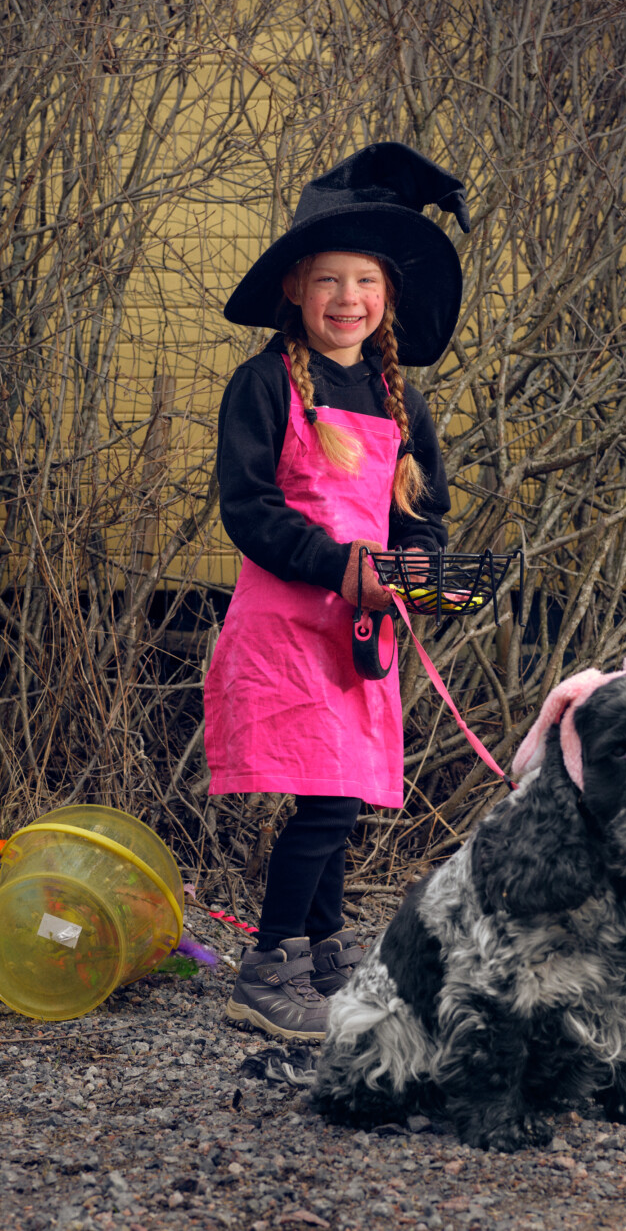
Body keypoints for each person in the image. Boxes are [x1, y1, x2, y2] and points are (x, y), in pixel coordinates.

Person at [205, 141, 470, 1041]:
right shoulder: (265, 384)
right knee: (321, 799)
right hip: (289, 625)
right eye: (328, 281)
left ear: (387, 297)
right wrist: (336, 565)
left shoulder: (402, 404)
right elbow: (248, 507)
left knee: (345, 794)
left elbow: (421, 515)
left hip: (366, 632)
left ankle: (323, 952)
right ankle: (272, 960)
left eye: (365, 281)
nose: (346, 299)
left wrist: (419, 568)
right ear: (294, 290)